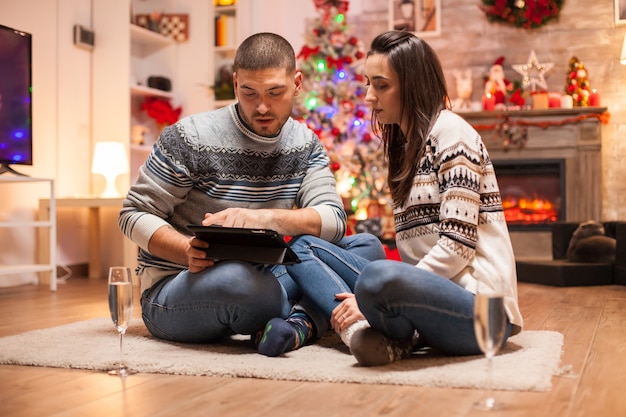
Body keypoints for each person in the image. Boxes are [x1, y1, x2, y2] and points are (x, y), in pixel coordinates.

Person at [264, 30, 524, 366]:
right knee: (302, 248)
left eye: (382, 85)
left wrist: (371, 294)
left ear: (413, 84)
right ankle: (359, 331)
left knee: (378, 278)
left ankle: (381, 325)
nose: (369, 96)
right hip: (424, 302)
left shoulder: (452, 134)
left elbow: (457, 246)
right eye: (368, 83)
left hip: (483, 314)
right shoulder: (404, 148)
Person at [118, 32, 382, 350]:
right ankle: (314, 314)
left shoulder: (305, 144)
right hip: (182, 287)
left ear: (297, 84)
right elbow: (132, 213)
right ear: (235, 85)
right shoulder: (190, 137)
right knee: (244, 284)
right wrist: (186, 250)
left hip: (269, 276)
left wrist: (263, 219)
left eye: (275, 92)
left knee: (367, 248)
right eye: (249, 93)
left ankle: (298, 324)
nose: (262, 107)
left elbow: (333, 220)